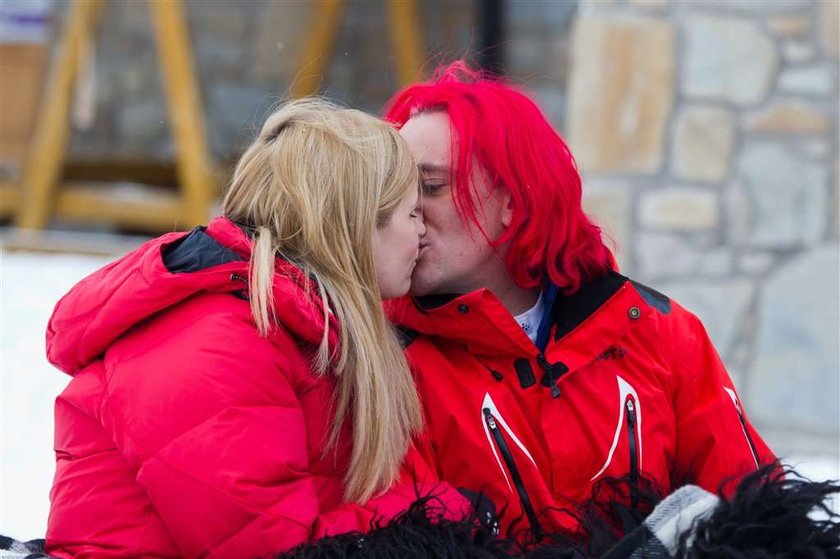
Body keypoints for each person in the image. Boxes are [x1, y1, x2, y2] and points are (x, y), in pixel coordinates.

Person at [43, 98, 463, 558]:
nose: (423, 231)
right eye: (411, 214)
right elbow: (271, 550)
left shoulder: (293, 328)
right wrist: (433, 513)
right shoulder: (219, 341)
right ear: (353, 224)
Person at [383, 62, 776, 538]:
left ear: (512, 200)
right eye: (395, 193)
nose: (408, 212)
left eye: (431, 187)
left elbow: (760, 520)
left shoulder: (660, 332)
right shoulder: (383, 365)